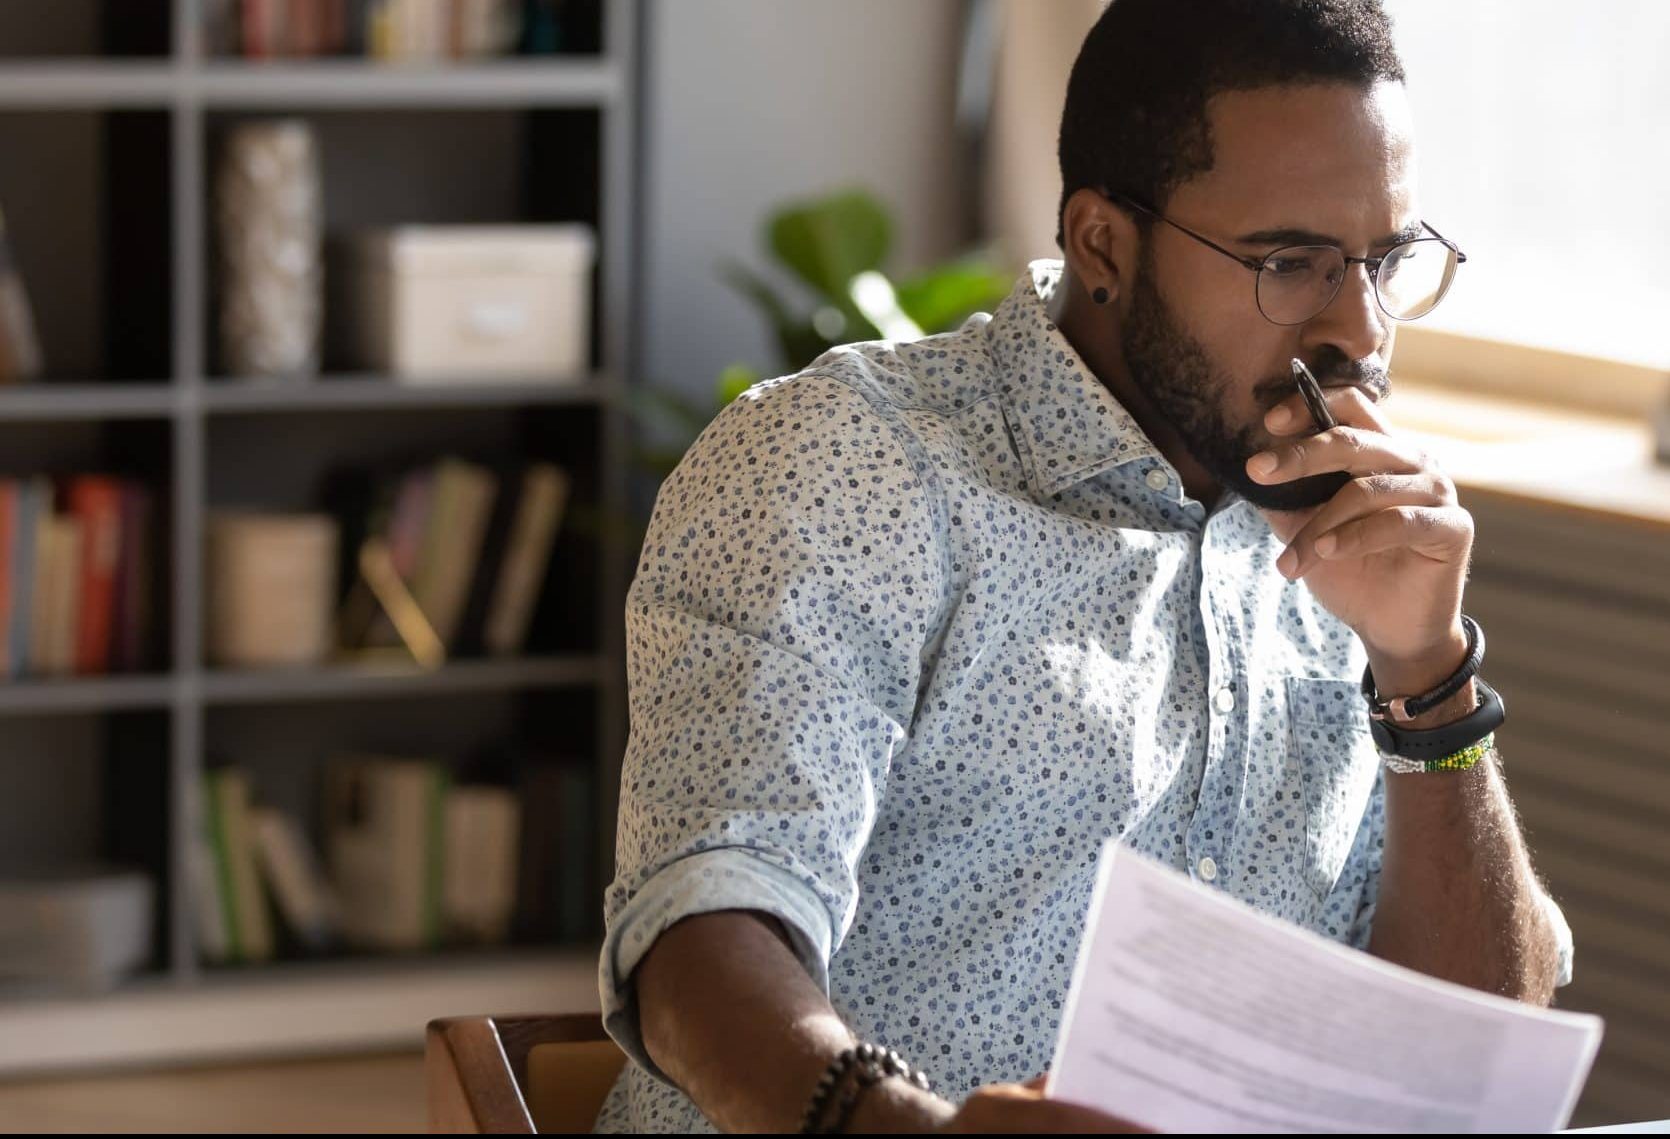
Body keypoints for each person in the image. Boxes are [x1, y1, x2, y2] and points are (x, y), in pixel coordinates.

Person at [595, 0, 1573, 1131]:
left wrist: (1424, 671)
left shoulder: (1349, 528)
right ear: (1103, 243)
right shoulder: (848, 466)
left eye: (1384, 259)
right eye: (1290, 262)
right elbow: (702, 927)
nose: (1356, 329)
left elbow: (1469, 1063)